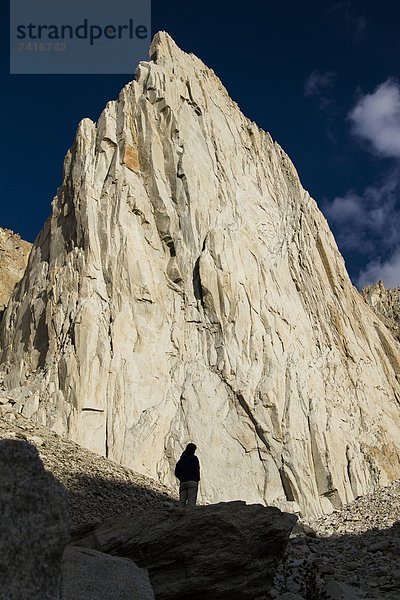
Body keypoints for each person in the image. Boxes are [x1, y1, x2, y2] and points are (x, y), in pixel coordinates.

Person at [174, 443, 200, 507]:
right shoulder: (194, 458)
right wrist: (197, 478)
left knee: (182, 501)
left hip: (183, 482)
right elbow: (196, 469)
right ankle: (190, 516)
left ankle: (179, 515)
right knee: (191, 501)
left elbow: (176, 472)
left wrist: (181, 478)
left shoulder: (181, 460)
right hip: (192, 481)